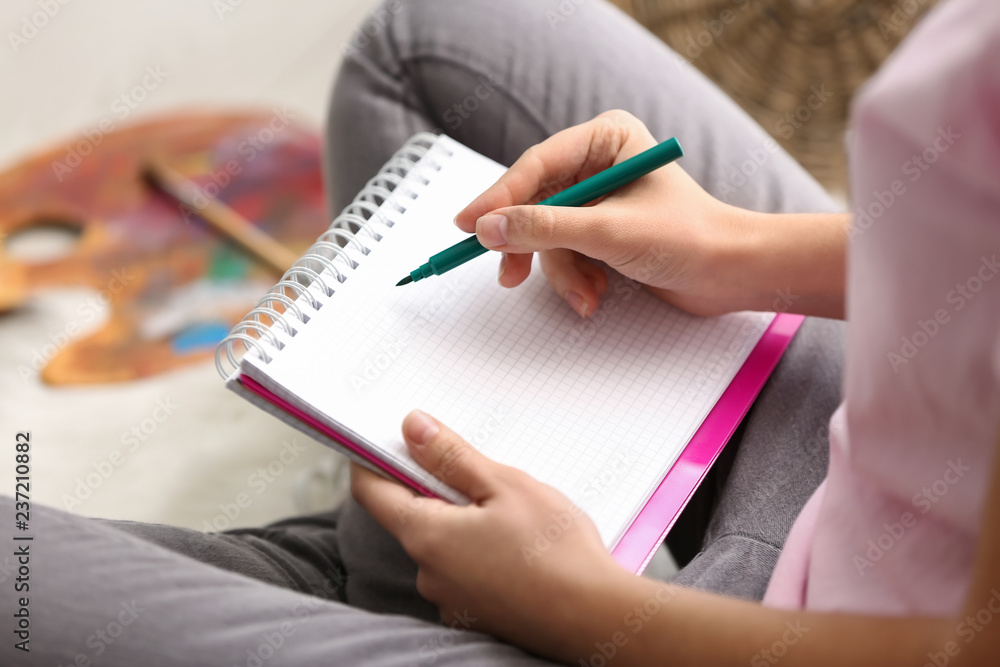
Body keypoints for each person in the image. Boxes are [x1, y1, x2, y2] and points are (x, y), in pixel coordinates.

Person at [5, 0, 998, 665]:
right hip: (868, 471)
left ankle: (383, 582)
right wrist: (736, 248)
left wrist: (584, 611)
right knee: (430, 39)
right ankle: (397, 582)